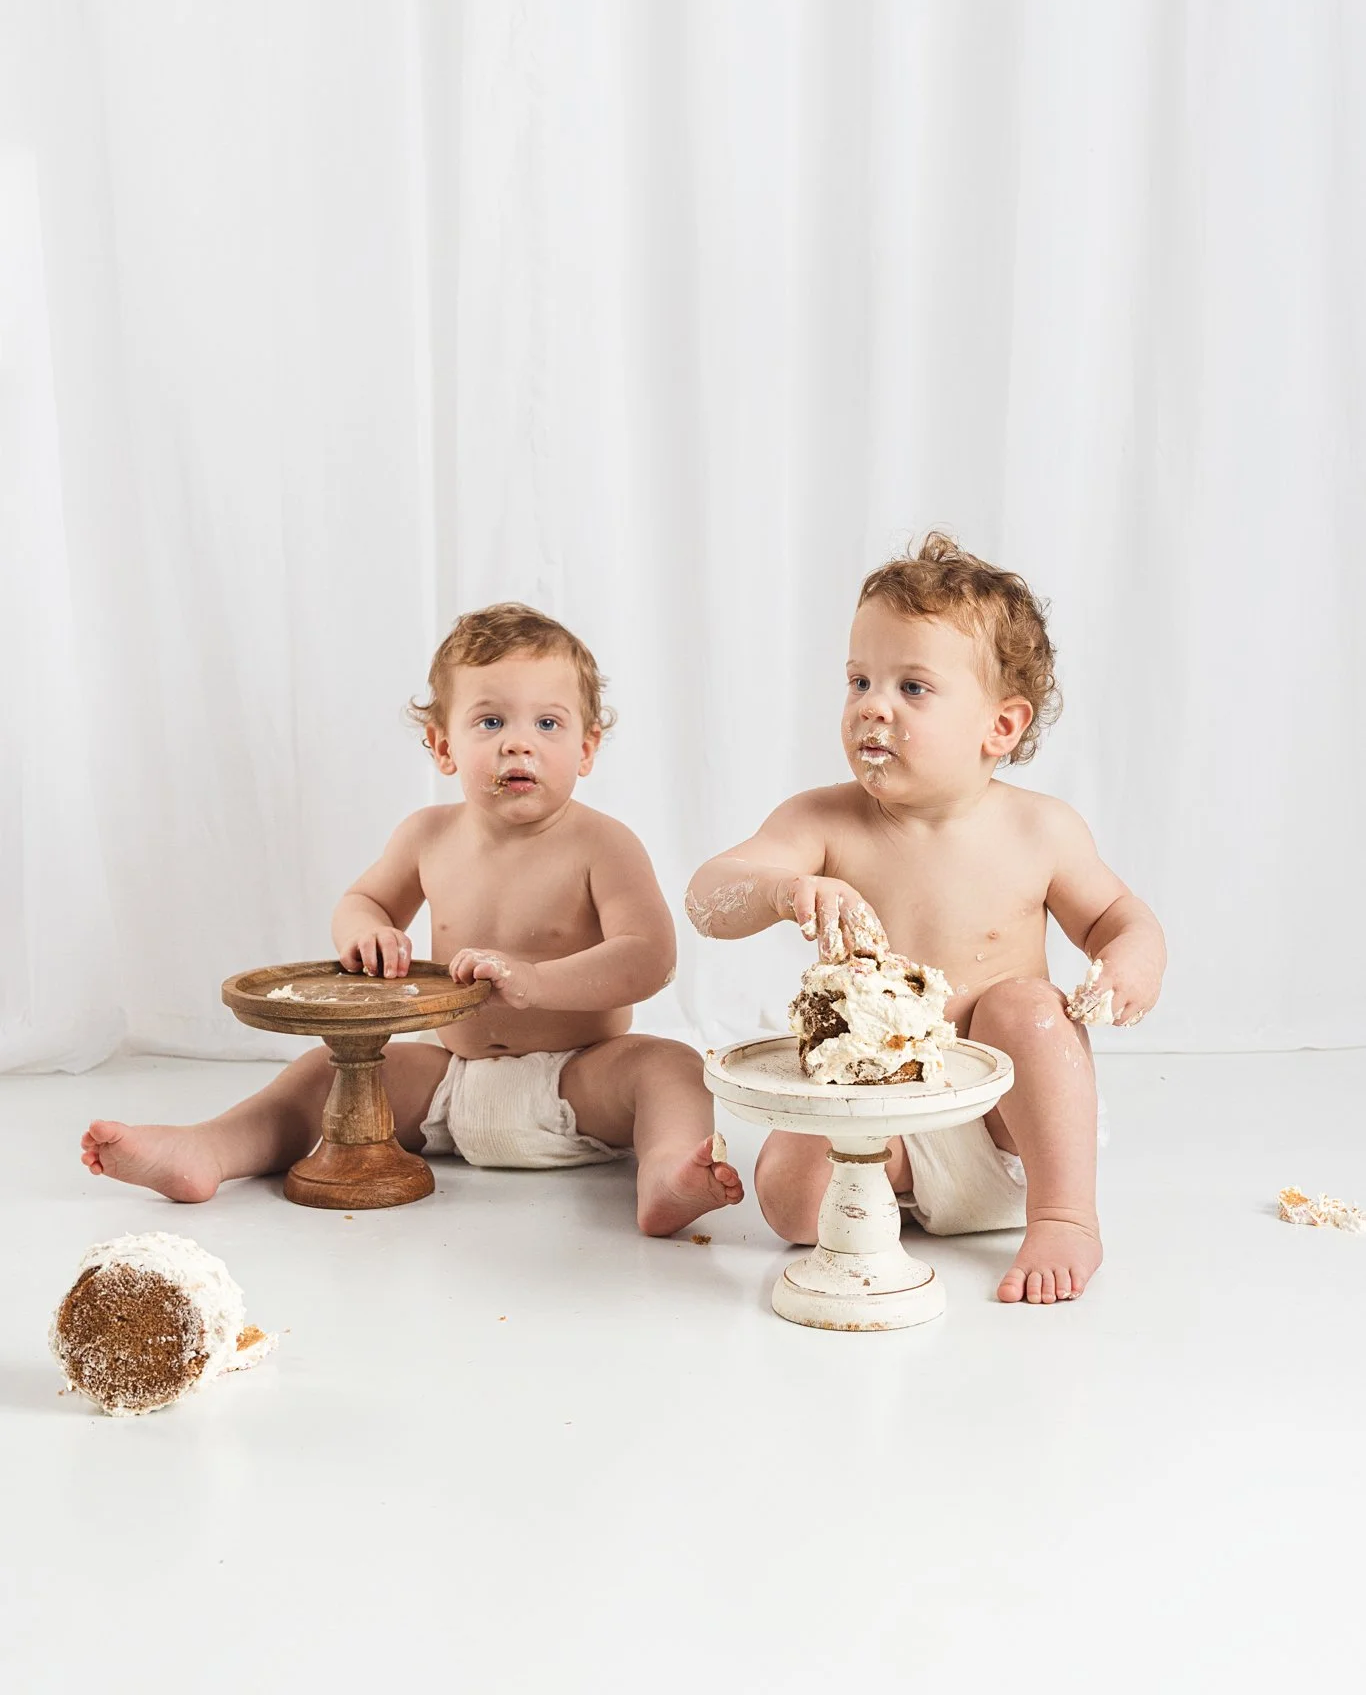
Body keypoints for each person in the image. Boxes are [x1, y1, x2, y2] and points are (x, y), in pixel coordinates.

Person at [82, 603, 742, 1237]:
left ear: (587, 747)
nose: (519, 744)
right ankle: (211, 1150)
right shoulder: (427, 836)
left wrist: (539, 982)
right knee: (325, 1073)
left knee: (672, 1069)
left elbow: (648, 955)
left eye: (548, 724)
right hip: (449, 1086)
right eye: (490, 723)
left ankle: (664, 1176)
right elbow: (361, 901)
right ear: (441, 745)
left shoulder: (604, 844)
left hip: (581, 1083)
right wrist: (366, 931)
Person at [685, 533, 1165, 1303]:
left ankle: (1068, 1216)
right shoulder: (824, 822)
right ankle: (885, 1202)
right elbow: (710, 898)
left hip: (1012, 1132)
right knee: (785, 1199)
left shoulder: (1039, 830)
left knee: (1022, 1007)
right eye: (860, 680)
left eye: (913, 687)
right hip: (888, 1136)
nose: (874, 706)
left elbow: (1116, 914)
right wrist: (781, 890)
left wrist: (1135, 957)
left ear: (1000, 727)